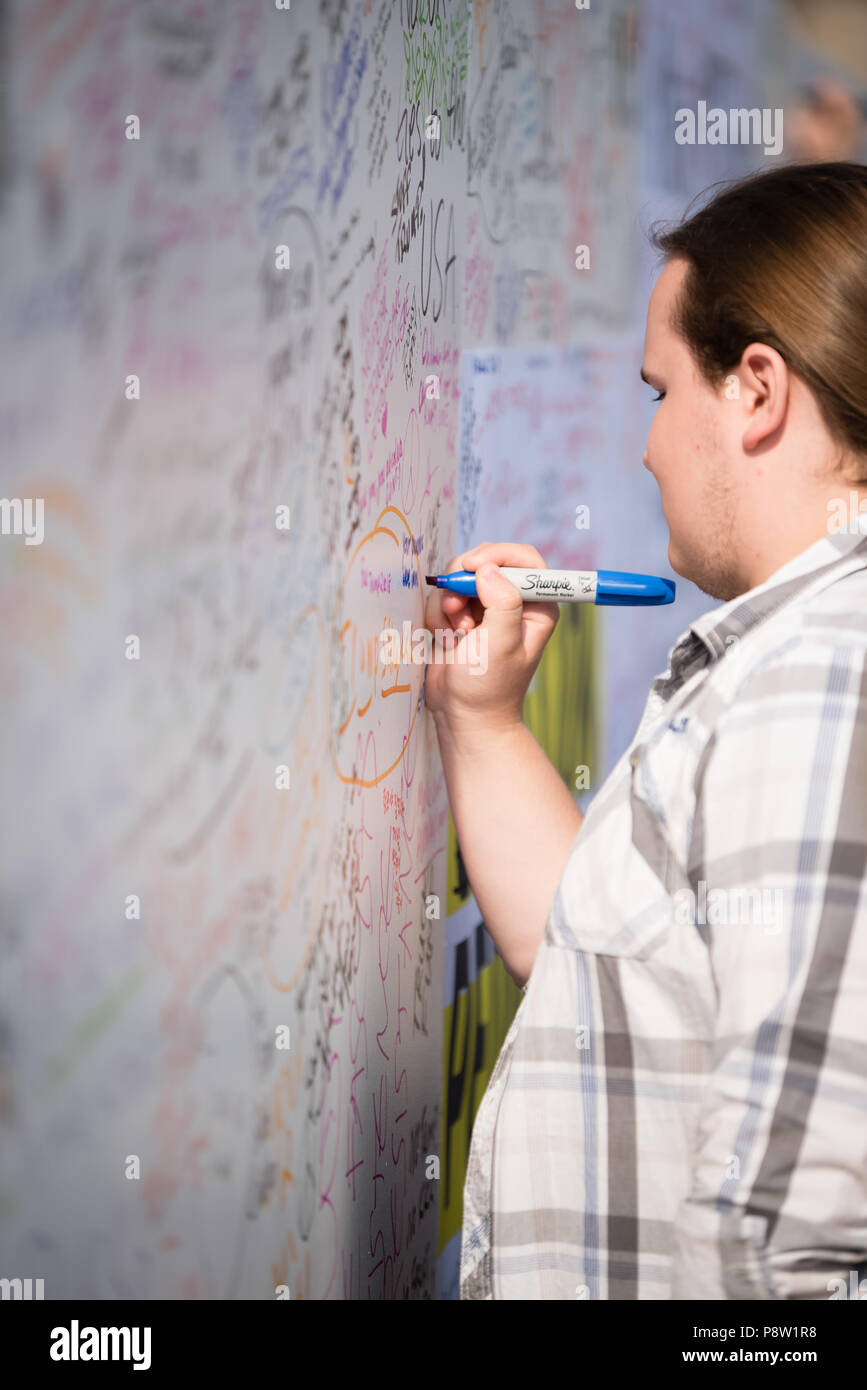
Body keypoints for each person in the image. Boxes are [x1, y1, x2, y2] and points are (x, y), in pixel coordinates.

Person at [425, 160, 867, 1300]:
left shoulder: (821, 676)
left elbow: (782, 1240)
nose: (648, 446)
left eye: (661, 392)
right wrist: (483, 721)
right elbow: (612, 976)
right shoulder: (796, 655)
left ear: (757, 390)